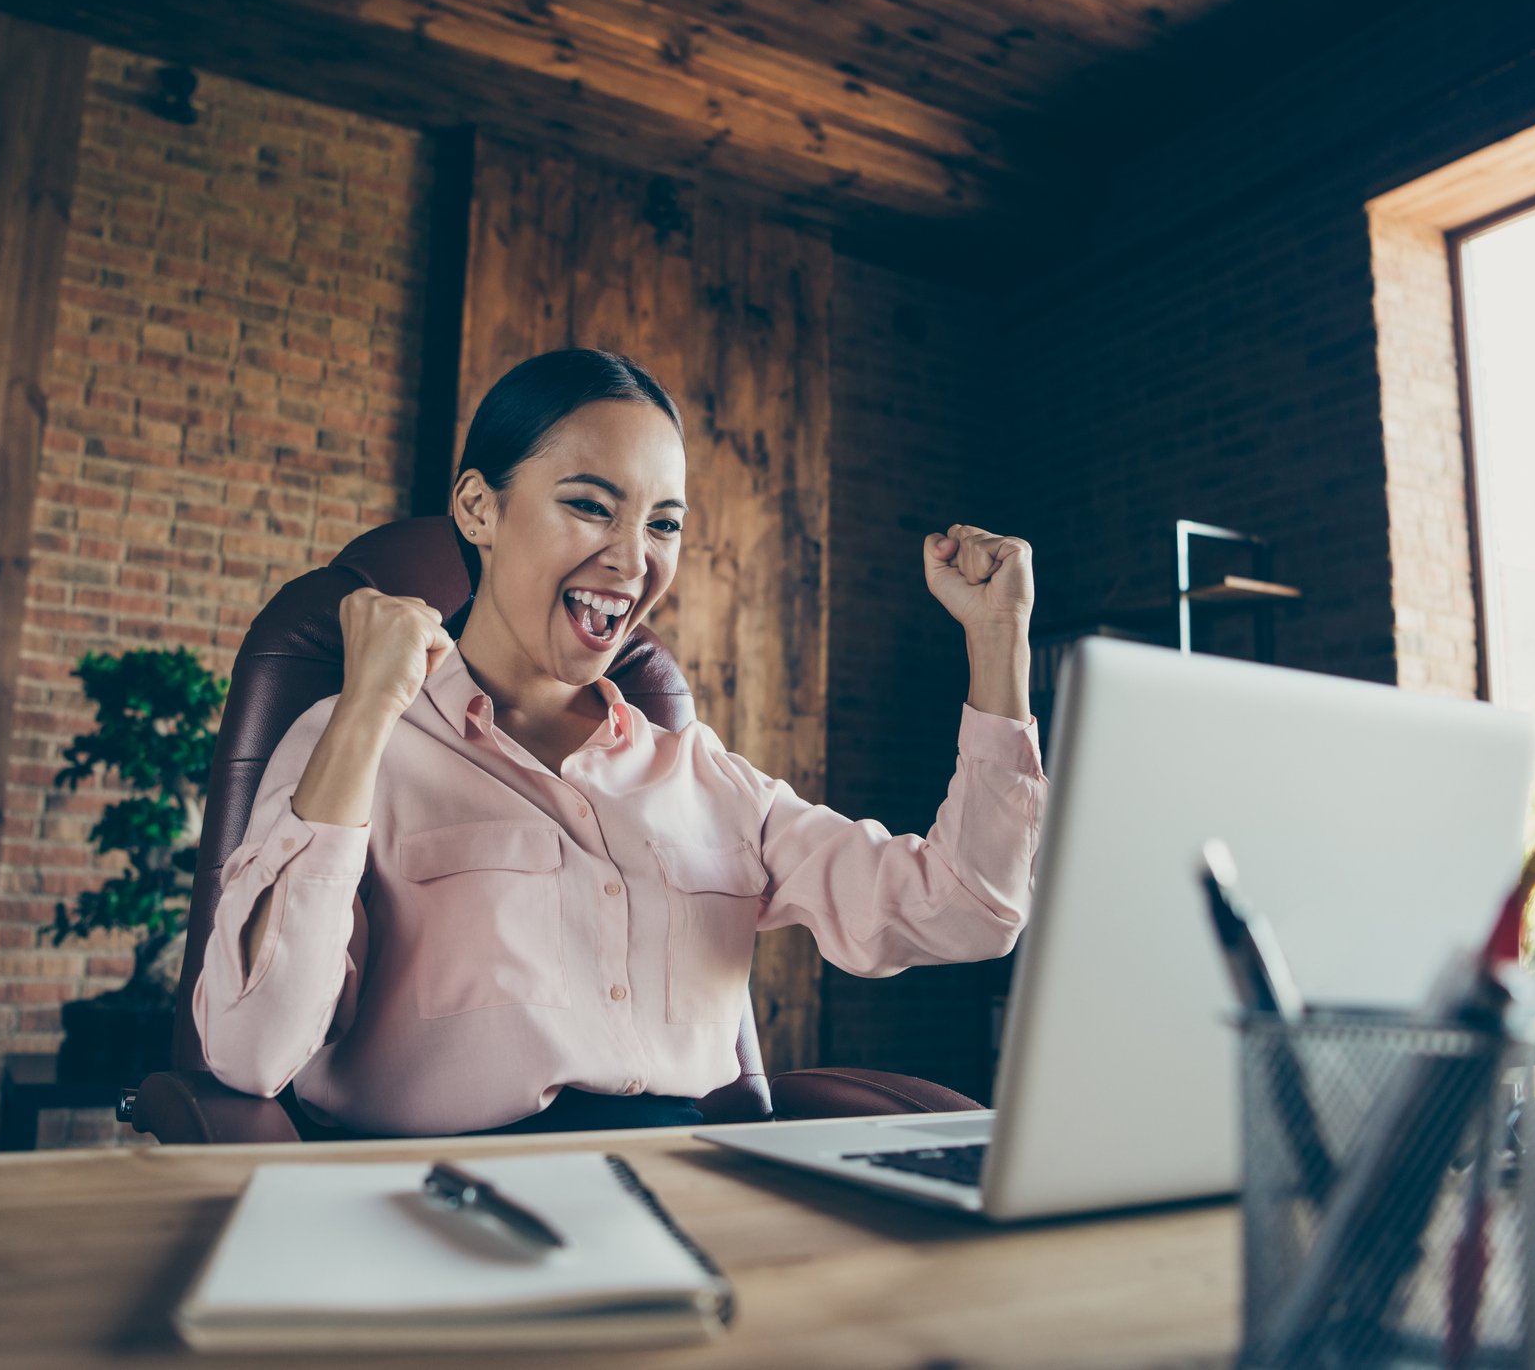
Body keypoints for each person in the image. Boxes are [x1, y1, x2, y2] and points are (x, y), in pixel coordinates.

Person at [193, 348, 1047, 1137]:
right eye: (590, 506)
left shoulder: (703, 777)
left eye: (663, 525)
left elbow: (969, 911)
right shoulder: (349, 745)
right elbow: (251, 1051)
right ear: (478, 508)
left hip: (698, 1192)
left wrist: (998, 638)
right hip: (450, 1203)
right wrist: (367, 710)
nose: (633, 558)